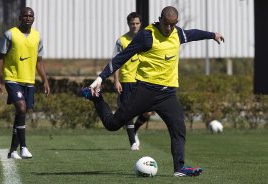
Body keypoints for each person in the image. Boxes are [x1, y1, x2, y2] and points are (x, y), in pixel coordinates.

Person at [79, 6, 224, 176]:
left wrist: (212, 35)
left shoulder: (178, 33)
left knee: (178, 128)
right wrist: (101, 78)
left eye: (172, 25)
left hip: (167, 94)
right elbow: (122, 57)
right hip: (145, 91)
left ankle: (179, 168)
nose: (169, 29)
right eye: (166, 24)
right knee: (112, 125)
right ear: (160, 19)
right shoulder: (147, 36)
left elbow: (193, 34)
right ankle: (95, 97)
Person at [0, 7, 50, 159]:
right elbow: (0, 58)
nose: (28, 18)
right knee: (21, 107)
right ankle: (24, 147)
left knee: (21, 112)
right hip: (12, 78)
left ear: (34, 18)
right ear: (19, 18)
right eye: (25, 16)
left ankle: (12, 151)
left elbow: (39, 62)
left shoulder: (37, 36)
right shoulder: (10, 34)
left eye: (30, 16)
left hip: (29, 80)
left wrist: (45, 80)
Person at [113, 12, 151, 151]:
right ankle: (132, 142)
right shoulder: (122, 41)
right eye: (132, 23)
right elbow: (115, 62)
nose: (134, 26)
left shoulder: (146, 39)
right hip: (126, 80)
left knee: (148, 112)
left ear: (141, 24)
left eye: (137, 23)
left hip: (143, 80)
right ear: (128, 24)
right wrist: (116, 81)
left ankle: (134, 130)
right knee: (127, 111)